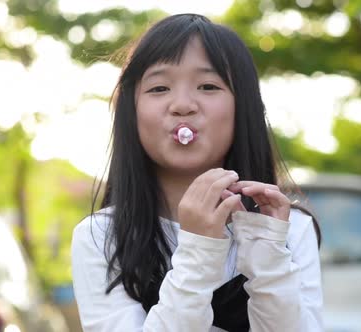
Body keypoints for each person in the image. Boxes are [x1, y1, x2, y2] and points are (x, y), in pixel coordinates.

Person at [71, 13, 323, 332]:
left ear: (242, 107)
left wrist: (269, 256)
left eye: (208, 86)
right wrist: (199, 248)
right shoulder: (102, 237)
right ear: (131, 114)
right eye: (159, 88)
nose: (183, 105)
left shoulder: (288, 229)